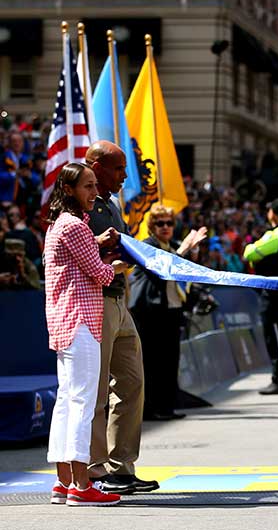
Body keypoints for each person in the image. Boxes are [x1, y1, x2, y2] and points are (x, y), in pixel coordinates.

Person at [44, 162, 128, 507]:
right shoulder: (74, 226)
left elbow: (80, 259)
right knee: (81, 402)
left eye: (94, 186)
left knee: (67, 401)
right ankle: (81, 483)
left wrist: (96, 244)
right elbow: (101, 273)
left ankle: (64, 482)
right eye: (88, 187)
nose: (94, 193)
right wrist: (121, 266)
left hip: (65, 322)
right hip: (81, 321)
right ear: (69, 190)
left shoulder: (59, 226)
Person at [84, 141, 159, 495]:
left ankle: (122, 466)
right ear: (95, 167)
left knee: (131, 383)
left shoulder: (112, 205)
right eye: (117, 169)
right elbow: (71, 251)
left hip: (119, 300)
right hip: (94, 302)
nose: (125, 176)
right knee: (96, 390)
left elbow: (125, 247)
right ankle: (95, 470)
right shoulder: (77, 207)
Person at [128, 205, 208, 420]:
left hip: (171, 312)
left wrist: (193, 251)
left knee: (170, 361)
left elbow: (185, 275)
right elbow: (161, 270)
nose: (165, 227)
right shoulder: (147, 245)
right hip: (151, 313)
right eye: (160, 223)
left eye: (169, 223)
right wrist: (183, 250)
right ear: (152, 226)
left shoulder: (171, 246)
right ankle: (150, 409)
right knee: (153, 362)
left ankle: (166, 407)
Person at [244, 198, 278, 395]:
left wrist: (253, 244)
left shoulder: (276, 235)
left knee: (274, 334)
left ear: (272, 214)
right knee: (276, 333)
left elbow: (249, 253)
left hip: (274, 293)